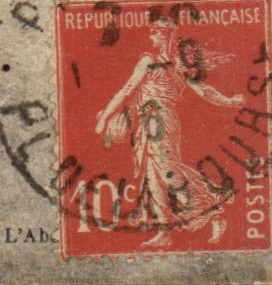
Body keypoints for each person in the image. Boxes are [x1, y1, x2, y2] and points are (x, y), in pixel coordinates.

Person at [93, 12, 243, 248]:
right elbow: (129, 90)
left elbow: (128, 91)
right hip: (147, 124)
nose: (151, 36)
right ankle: (165, 232)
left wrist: (230, 101)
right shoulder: (162, 61)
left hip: (161, 122)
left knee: (168, 171)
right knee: (153, 178)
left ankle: (213, 211)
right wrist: (229, 101)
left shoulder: (162, 62)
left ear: (163, 37)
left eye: (154, 32)